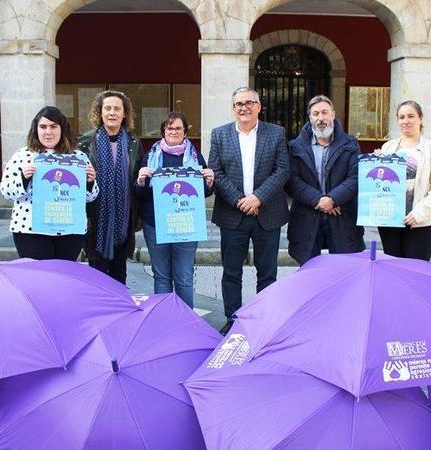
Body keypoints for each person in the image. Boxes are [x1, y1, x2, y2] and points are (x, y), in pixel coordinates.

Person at [209, 87, 289, 331]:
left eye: (249, 103)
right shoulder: (219, 134)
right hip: (233, 215)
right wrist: (239, 200)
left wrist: (258, 198)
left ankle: (263, 321)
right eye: (238, 104)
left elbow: (283, 170)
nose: (243, 107)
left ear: (258, 106)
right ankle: (233, 320)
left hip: (268, 214)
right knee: (231, 272)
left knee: (267, 274)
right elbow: (216, 172)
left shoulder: (275, 133)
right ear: (233, 108)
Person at [133, 112, 215, 308]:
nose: (173, 131)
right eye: (169, 128)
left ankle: (185, 322)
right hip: (155, 224)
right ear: (163, 131)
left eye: (178, 128)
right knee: (161, 276)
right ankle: (165, 320)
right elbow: (139, 192)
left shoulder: (195, 157)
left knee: (184, 277)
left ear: (185, 132)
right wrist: (141, 180)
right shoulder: (150, 156)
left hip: (186, 224)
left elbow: (202, 192)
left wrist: (210, 183)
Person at [0, 106, 97, 260]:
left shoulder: (78, 157)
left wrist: (90, 182)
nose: (48, 132)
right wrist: (23, 179)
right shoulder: (23, 155)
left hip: (69, 230)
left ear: (62, 129)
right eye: (43, 126)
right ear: (36, 129)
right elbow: (6, 190)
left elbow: (90, 197)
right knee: (38, 279)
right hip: (31, 230)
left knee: (63, 277)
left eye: (53, 126)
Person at [285, 95, 364, 265]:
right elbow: (292, 180)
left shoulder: (350, 144)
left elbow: (355, 178)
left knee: (343, 272)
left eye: (324, 112)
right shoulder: (295, 147)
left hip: (342, 217)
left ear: (333, 114)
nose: (320, 118)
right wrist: (320, 200)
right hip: (307, 217)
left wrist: (333, 199)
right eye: (315, 114)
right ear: (310, 117)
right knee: (308, 273)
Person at [78, 90, 143, 284]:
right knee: (96, 278)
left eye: (117, 108)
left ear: (125, 114)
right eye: (107, 108)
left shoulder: (133, 142)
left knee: (119, 275)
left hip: (123, 219)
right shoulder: (85, 142)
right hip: (95, 219)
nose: (112, 112)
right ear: (100, 112)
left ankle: (120, 312)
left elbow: (137, 181)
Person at [377, 100, 431, 261]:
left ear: (420, 119)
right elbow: (381, 183)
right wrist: (375, 163)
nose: (406, 121)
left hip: (421, 223)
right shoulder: (388, 147)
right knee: (394, 271)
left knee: (415, 272)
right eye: (401, 117)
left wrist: (419, 213)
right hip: (391, 222)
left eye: (411, 116)